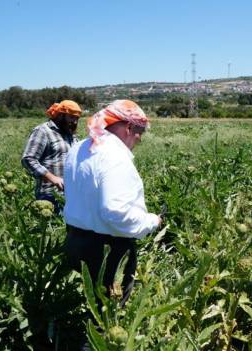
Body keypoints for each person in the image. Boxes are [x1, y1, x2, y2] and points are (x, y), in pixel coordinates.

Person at [63, 99, 161, 304]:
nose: (139, 140)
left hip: (75, 241)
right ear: (128, 127)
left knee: (86, 305)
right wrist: (151, 221)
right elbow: (115, 211)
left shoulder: (79, 147)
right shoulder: (115, 156)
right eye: (139, 134)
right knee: (109, 315)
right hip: (107, 250)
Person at [21, 100, 81, 212]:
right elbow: (28, 159)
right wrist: (53, 178)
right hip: (49, 195)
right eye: (71, 117)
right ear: (61, 115)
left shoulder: (71, 136)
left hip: (72, 195)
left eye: (77, 118)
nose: (75, 122)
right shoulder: (43, 131)